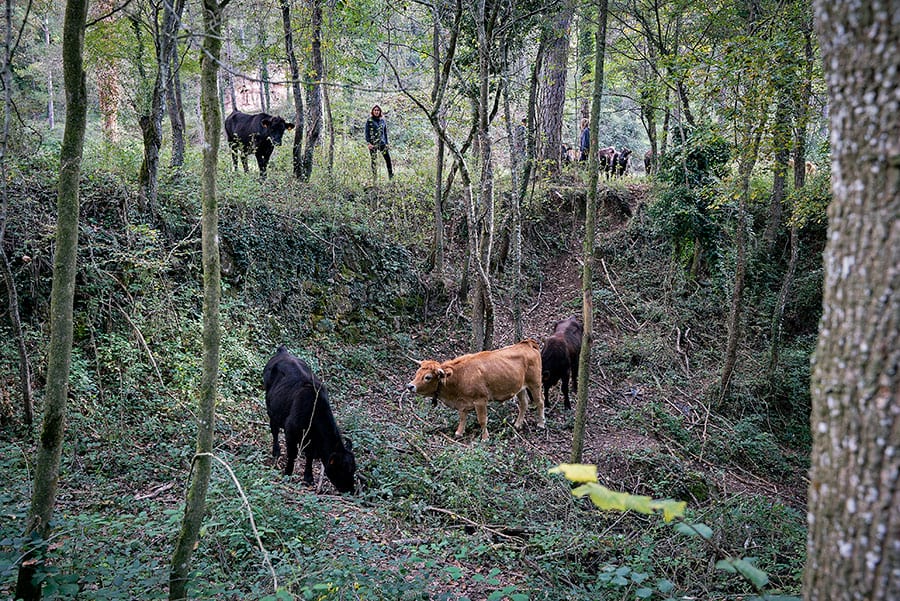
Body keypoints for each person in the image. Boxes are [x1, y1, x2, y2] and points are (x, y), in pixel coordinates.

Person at [365, 105, 393, 180]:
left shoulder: (382, 121)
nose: (376, 111)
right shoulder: (369, 120)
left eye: (378, 110)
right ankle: (375, 178)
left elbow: (385, 133)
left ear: (380, 111)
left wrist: (387, 143)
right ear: (372, 111)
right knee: (374, 161)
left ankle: (391, 177)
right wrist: (368, 143)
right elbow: (366, 133)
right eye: (375, 110)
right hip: (373, 144)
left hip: (382, 144)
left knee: (388, 160)